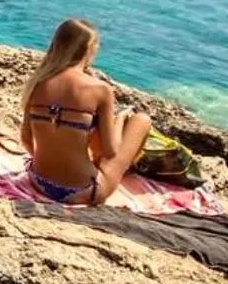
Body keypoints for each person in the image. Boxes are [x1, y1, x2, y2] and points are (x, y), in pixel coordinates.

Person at [17, 18, 152, 206]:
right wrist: (119, 119)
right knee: (141, 120)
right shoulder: (99, 89)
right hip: (82, 191)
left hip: (38, 181)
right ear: (89, 48)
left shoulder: (38, 82)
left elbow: (25, 139)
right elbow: (110, 151)